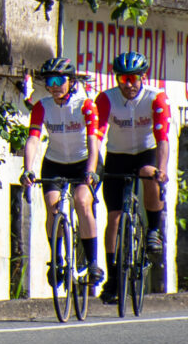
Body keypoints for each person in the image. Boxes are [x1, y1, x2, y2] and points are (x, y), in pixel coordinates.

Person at [20, 56, 103, 293]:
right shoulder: (42, 106)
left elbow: (93, 141)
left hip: (84, 161)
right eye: (50, 81)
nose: (54, 86)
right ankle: (56, 259)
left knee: (82, 202)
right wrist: (27, 169)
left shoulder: (85, 105)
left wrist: (90, 170)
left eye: (59, 80)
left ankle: (92, 262)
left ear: (71, 81)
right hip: (55, 162)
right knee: (53, 207)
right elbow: (33, 139)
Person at [94, 51, 171, 301]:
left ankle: (153, 230)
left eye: (133, 79)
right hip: (117, 156)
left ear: (143, 77)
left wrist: (162, 170)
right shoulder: (106, 98)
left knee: (150, 174)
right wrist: (92, 167)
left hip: (146, 154)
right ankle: (113, 277)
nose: (128, 85)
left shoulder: (155, 98)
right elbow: (97, 135)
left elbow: (162, 139)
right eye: (123, 79)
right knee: (114, 218)